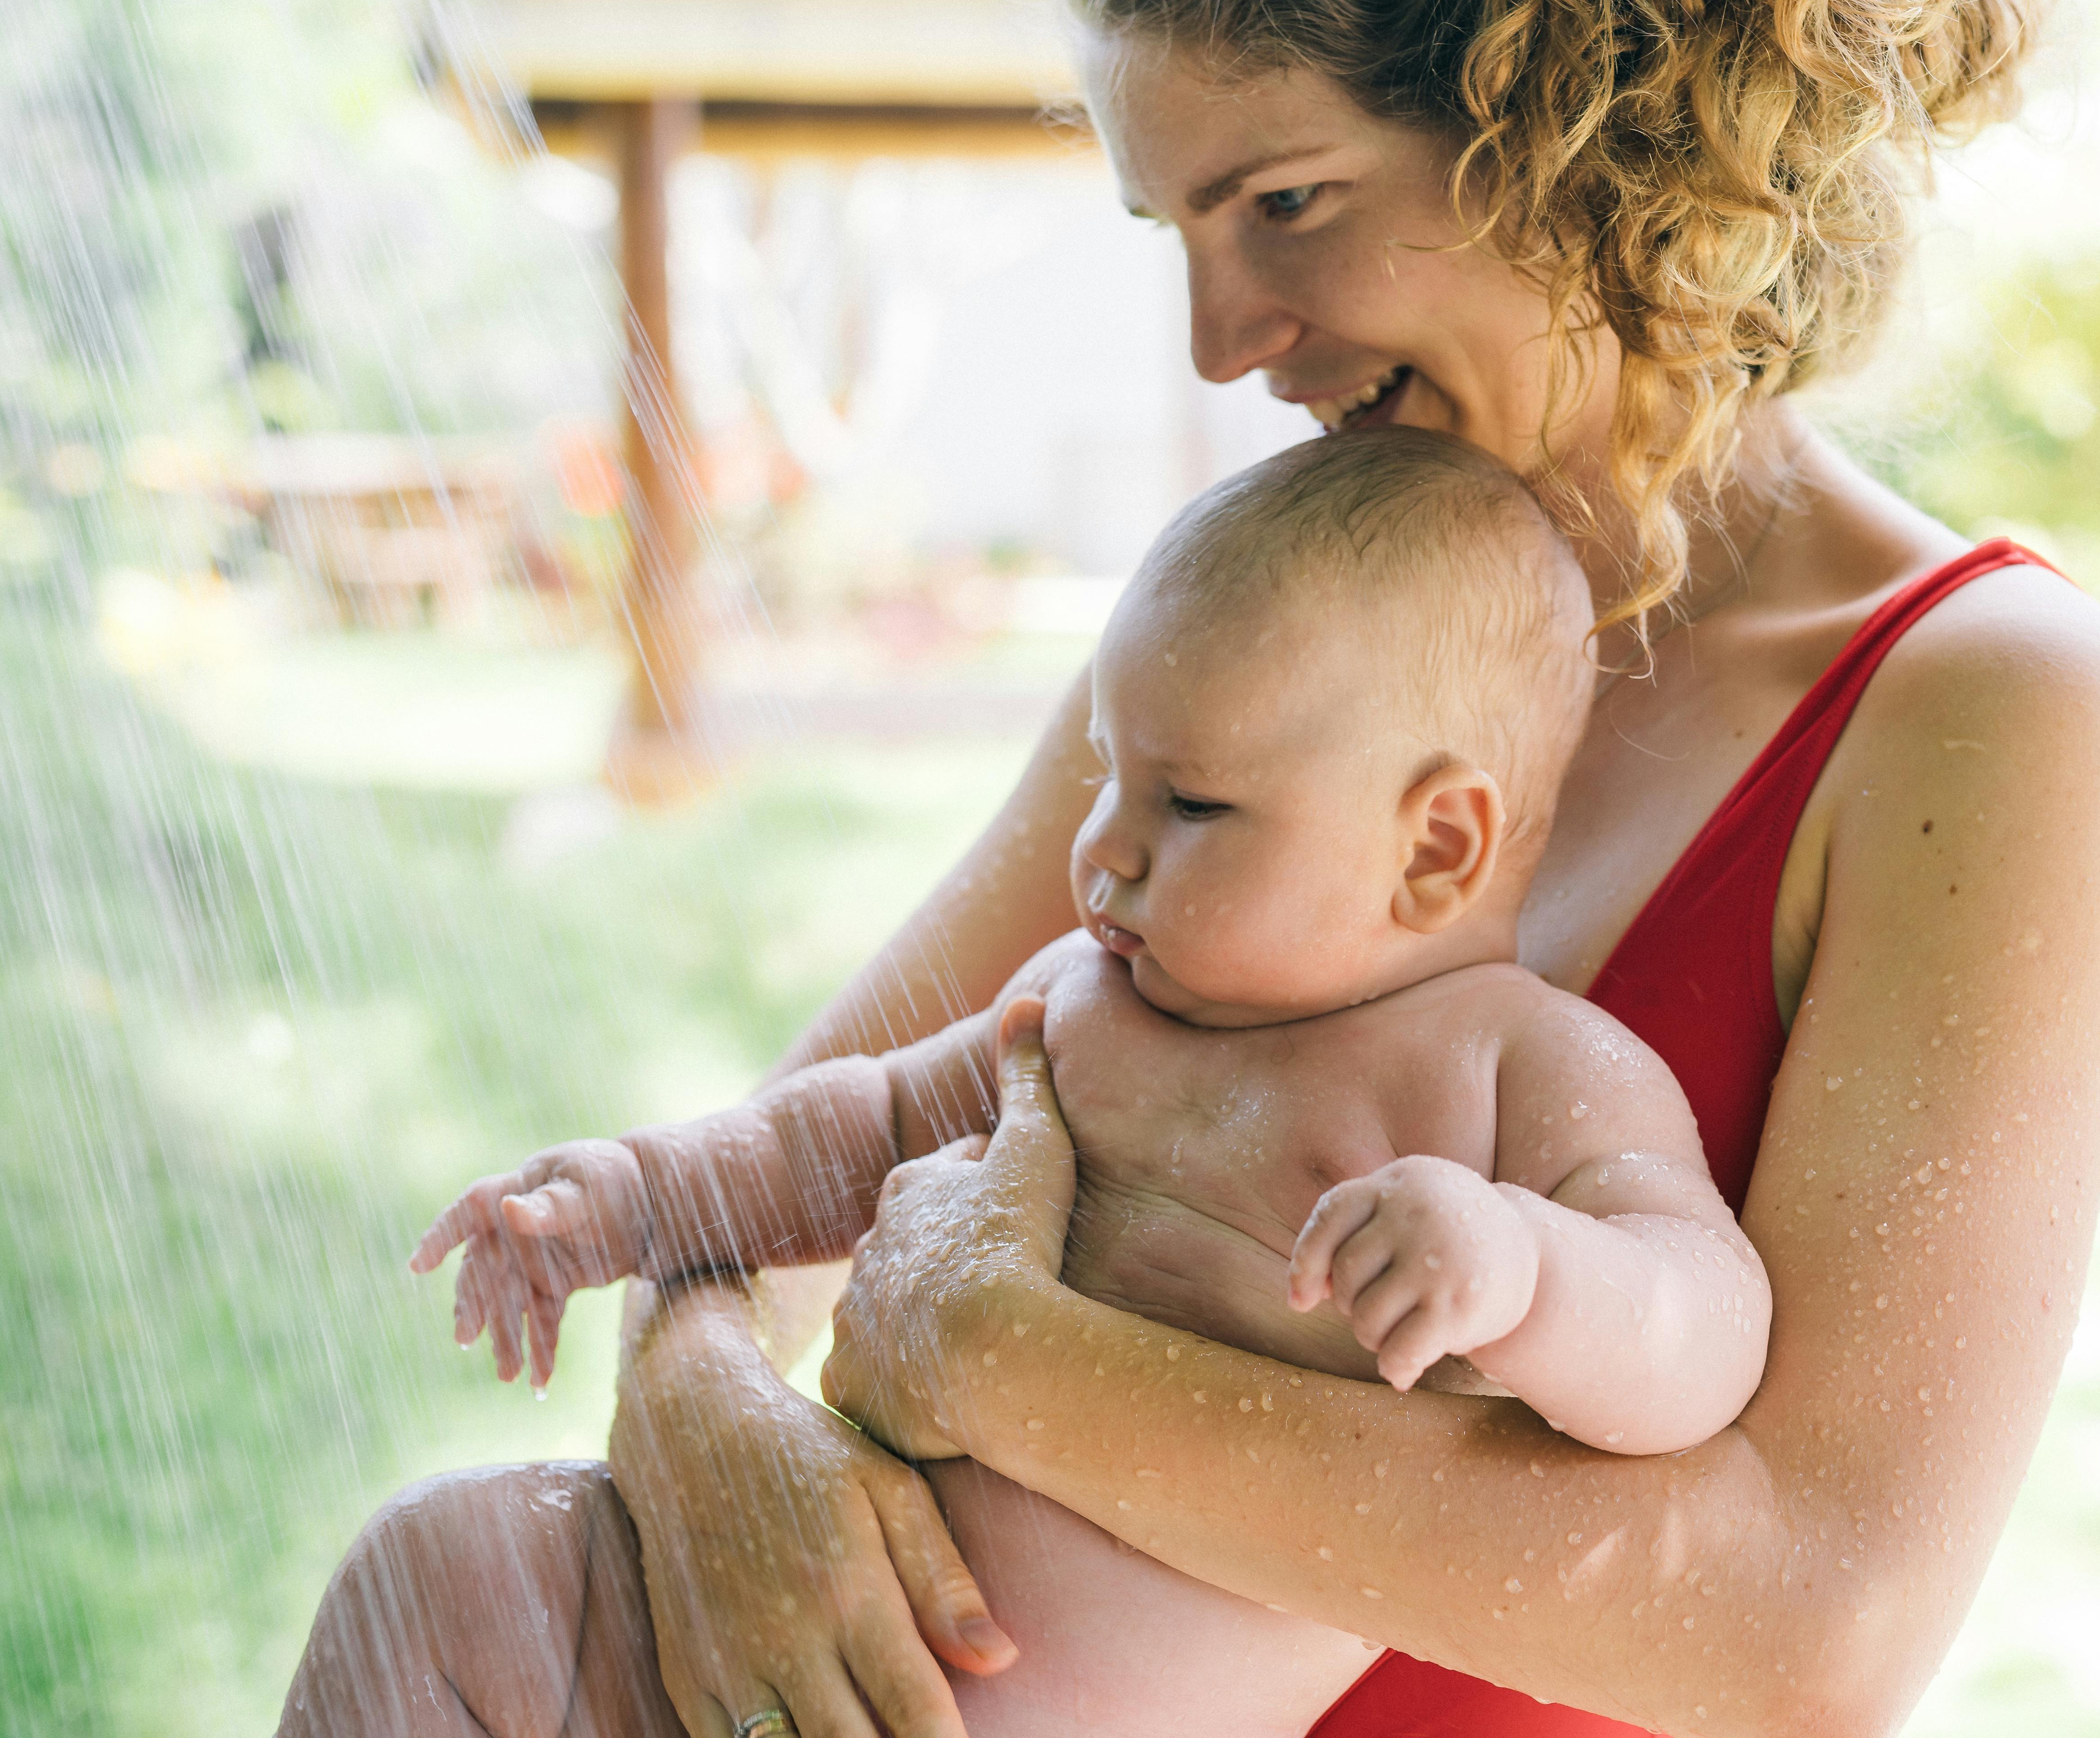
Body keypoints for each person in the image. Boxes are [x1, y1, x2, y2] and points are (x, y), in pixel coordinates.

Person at [276, 0, 2100, 1726]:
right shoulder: (1267, 634)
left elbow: (1811, 1630)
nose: (1220, 339)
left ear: (1589, 128)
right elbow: (786, 1178)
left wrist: (995, 1358)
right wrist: (705, 1423)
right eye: (1174, 225)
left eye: (1285, 204)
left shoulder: (1987, 703)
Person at [388, 430, 1770, 1738]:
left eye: (1193, 805)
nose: (1104, 847)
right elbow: (852, 1129)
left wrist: (1526, 1270)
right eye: (1110, 774)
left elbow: (1703, 1329)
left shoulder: (1523, 1073)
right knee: (433, 1572)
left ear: (1434, 848)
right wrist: (632, 1196)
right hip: (801, 1649)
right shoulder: (1081, 1002)